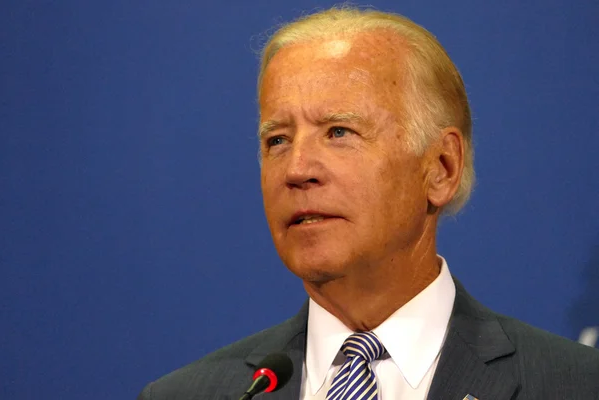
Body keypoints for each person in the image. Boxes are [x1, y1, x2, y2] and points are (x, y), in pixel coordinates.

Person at [138, 6, 599, 400]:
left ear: (441, 167)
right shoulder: (191, 394)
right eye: (277, 140)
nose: (297, 169)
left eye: (339, 132)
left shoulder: (575, 385)